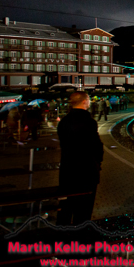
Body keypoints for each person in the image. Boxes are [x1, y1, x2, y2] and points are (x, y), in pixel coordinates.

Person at [57, 91, 104, 226]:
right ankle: (81, 234)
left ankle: (62, 233)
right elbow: (96, 146)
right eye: (88, 99)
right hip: (86, 170)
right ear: (84, 101)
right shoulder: (89, 122)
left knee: (66, 206)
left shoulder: (64, 122)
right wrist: (98, 162)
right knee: (84, 209)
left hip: (67, 170)